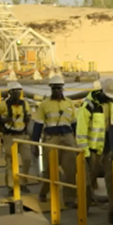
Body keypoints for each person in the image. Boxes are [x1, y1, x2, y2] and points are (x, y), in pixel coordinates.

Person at [31, 74, 79, 208]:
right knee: (49, 170)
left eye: (59, 88)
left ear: (63, 88)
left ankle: (69, 199)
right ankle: (44, 192)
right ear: (51, 89)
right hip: (51, 139)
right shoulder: (44, 105)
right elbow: (38, 125)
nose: (57, 91)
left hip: (68, 138)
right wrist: (35, 144)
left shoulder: (69, 103)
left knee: (70, 170)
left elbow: (75, 124)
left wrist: (77, 141)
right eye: (54, 88)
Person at [76, 78, 113, 212]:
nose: (110, 98)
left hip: (108, 148)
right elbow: (81, 131)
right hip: (93, 149)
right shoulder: (88, 106)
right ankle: (84, 208)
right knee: (89, 179)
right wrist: (85, 152)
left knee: (111, 178)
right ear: (102, 91)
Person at [0, 81, 32, 196]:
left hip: (23, 135)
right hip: (9, 136)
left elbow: (28, 115)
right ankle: (11, 186)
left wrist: (28, 120)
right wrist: (3, 120)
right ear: (10, 93)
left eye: (19, 91)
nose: (17, 94)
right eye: (15, 91)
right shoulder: (3, 105)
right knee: (10, 162)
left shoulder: (25, 104)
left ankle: (23, 183)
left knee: (27, 159)